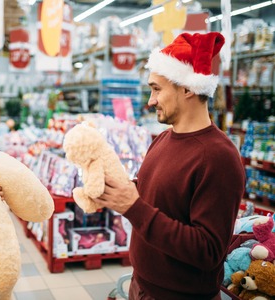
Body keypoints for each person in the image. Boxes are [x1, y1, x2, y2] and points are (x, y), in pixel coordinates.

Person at [93, 32, 246, 299]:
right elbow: (156, 195)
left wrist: (133, 207)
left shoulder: (218, 157)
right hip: (142, 285)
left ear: (187, 88)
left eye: (157, 89)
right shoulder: (164, 138)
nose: (150, 100)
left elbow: (208, 250)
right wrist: (115, 191)